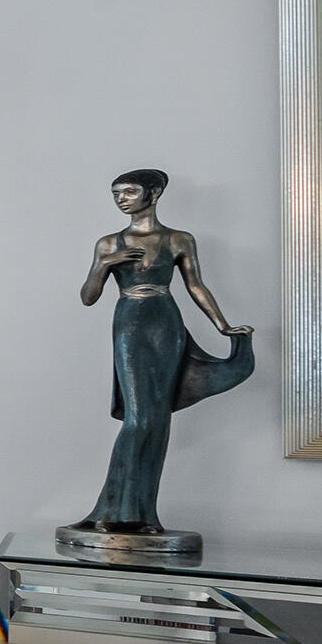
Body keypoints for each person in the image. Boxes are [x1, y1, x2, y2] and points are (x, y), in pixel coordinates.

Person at [71, 169, 253, 537]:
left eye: (129, 191)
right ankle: (109, 509)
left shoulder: (178, 239)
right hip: (129, 324)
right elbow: (88, 297)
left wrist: (222, 326)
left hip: (166, 323)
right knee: (138, 419)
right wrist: (105, 264)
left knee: (156, 420)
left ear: (153, 193)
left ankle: (141, 516)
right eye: (116, 193)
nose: (121, 198)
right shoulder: (109, 243)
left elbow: (196, 286)